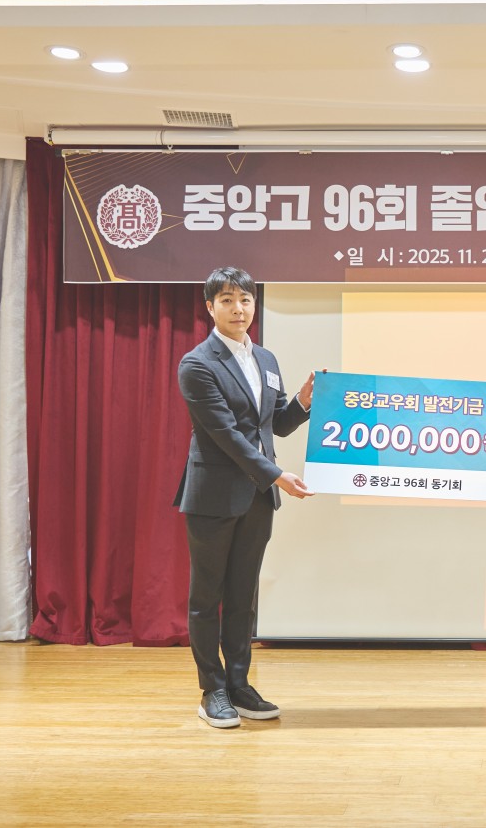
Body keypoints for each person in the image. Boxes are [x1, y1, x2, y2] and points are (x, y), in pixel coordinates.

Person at [175, 267, 316, 729]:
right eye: (228, 300)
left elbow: (273, 425)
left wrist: (304, 402)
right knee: (206, 597)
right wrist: (277, 475)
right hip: (214, 495)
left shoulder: (267, 359)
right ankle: (211, 689)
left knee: (242, 596)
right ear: (210, 306)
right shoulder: (197, 364)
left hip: (256, 496)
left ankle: (239, 684)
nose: (239, 309)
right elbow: (226, 436)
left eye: (246, 300)